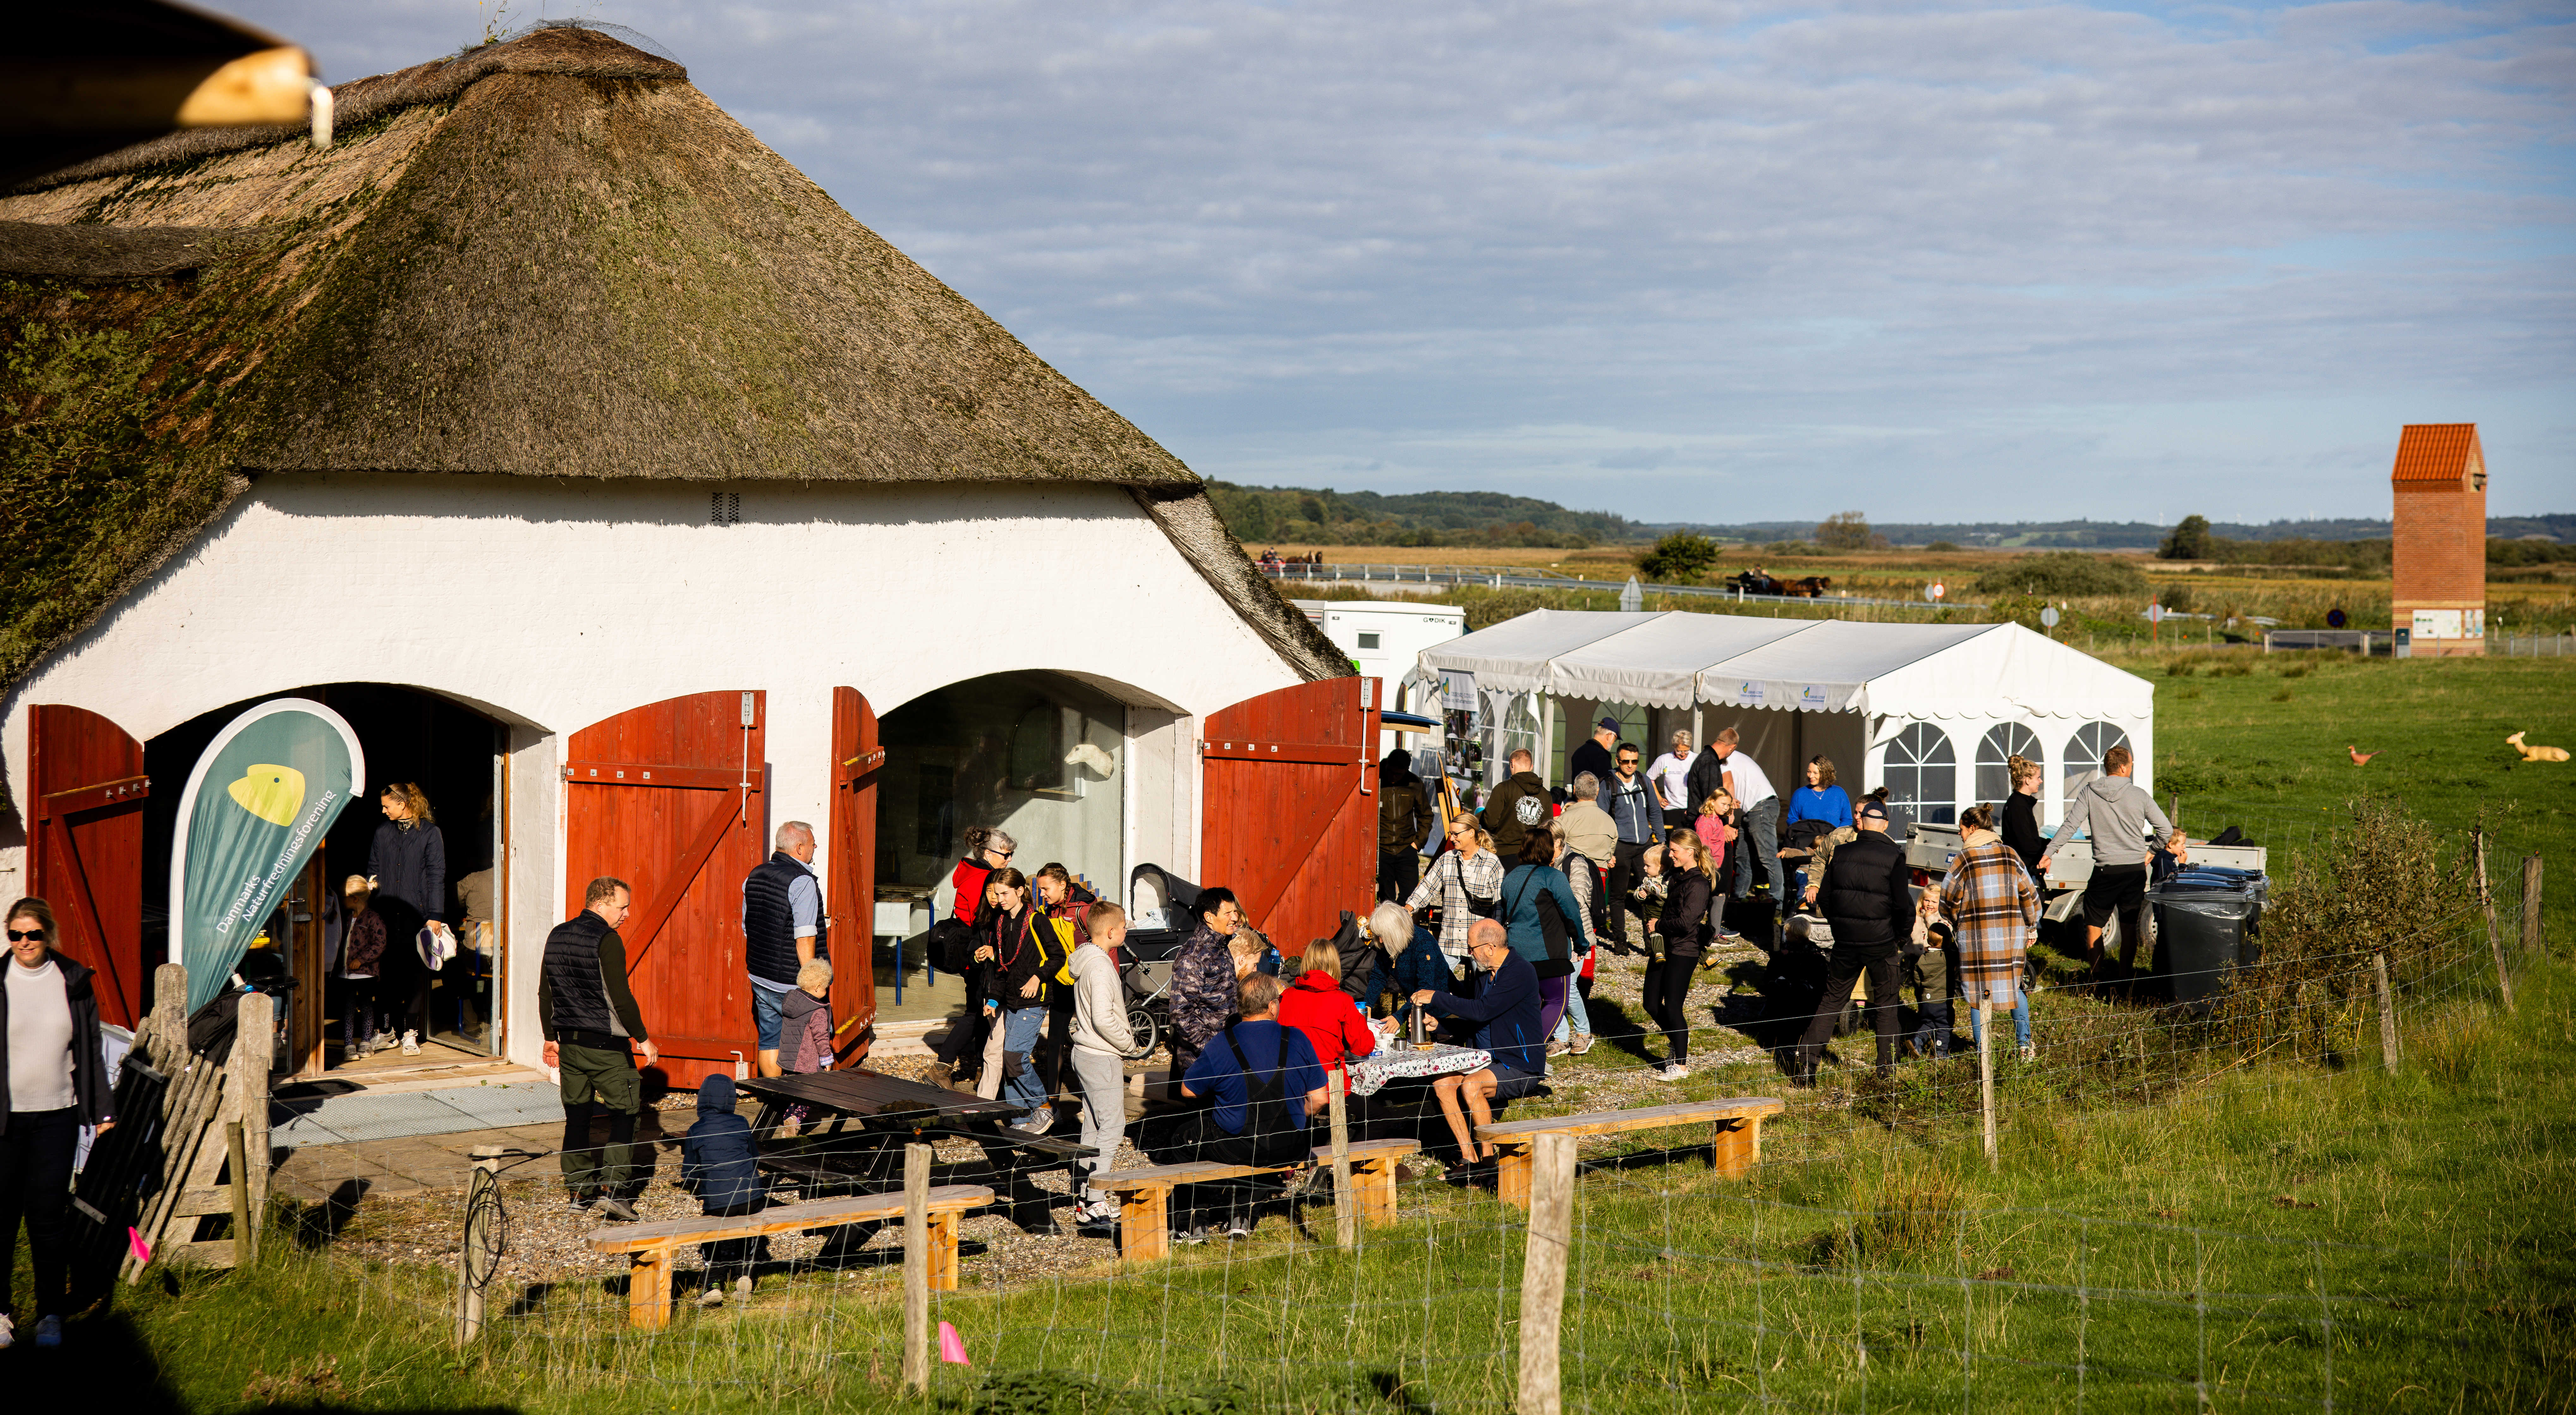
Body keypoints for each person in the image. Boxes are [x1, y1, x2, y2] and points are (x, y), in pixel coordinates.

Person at [1, 899, 114, 1351]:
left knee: (48, 1219)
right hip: (4, 1121)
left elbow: (89, 1051)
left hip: (57, 1118)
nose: (24, 943)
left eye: (33, 934)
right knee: (2, 1218)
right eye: (15, 935)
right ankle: (1, 1313)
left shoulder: (73, 981)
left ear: (49, 934)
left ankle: (50, 1312)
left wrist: (102, 1110)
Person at [1168, 973, 1327, 1240]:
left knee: (1182, 1139)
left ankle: (1192, 1221)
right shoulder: (1297, 1038)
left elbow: (1188, 1090)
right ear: (1272, 1006)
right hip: (1291, 1143)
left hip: (1238, 1145)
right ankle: (1243, 1215)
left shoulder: (1223, 1042)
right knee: (1260, 1142)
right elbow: (1320, 1098)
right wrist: (1300, 1114)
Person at [539, 877, 657, 1221]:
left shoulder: (558, 934)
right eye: (622, 906)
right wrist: (642, 1037)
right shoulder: (608, 939)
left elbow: (546, 991)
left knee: (577, 1117)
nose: (627, 914)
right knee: (625, 1114)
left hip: (570, 1045)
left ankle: (579, 1192)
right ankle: (615, 1191)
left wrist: (550, 1036)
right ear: (601, 903)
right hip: (606, 1045)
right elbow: (620, 996)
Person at [1790, 799, 1912, 1084]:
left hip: (1846, 941)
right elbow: (1902, 906)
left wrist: (1839, 925)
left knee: (1831, 1001)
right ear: (1884, 824)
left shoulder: (1842, 852)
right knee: (1886, 1005)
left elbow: (1825, 897)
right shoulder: (1894, 855)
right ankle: (1885, 1070)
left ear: (1862, 824)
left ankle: (1807, 1066)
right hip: (1881, 942)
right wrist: (1899, 937)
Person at [1413, 919, 1544, 1183]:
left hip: (1519, 1063)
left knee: (1472, 1085)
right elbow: (1479, 1019)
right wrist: (1441, 1024)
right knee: (1443, 1082)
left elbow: (1482, 1010)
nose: (1469, 954)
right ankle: (1468, 1158)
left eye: (1471, 948)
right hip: (1485, 1060)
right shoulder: (1486, 976)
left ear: (1490, 948)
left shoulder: (1520, 972)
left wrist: (1436, 996)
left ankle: (1488, 1161)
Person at [2040, 746, 2183, 981]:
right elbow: (2166, 830)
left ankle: (2096, 976)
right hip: (2134, 870)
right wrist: (2152, 851)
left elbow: (2069, 826)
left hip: (2105, 870)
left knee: (2094, 924)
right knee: (2128, 926)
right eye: (2132, 764)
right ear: (2124, 767)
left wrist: (2050, 851)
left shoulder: (2090, 792)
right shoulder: (2139, 795)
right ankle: (2124, 978)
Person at [1943, 804, 2042, 1062]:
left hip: (1976, 938)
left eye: (1961, 831)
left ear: (1973, 829)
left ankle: (1983, 1052)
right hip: (2011, 936)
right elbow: (2029, 895)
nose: (1961, 836)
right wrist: (2031, 927)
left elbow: (1948, 899)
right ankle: (2025, 1047)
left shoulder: (1964, 858)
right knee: (2013, 986)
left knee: (1978, 993)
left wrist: (1956, 921)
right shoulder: (2010, 854)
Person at [975, 869, 1070, 1131]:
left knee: (1015, 1058)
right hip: (1011, 1000)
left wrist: (1038, 977)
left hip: (1034, 1001)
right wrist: (994, 999)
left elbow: (1058, 956)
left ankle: (1044, 1107)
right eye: (996, 893)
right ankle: (1021, 1119)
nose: (1000, 899)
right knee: (1009, 1061)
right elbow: (1004, 967)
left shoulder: (1037, 920)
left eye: (1005, 893)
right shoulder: (1002, 922)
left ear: (1020, 891)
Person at [1066, 900, 1137, 1236]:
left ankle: (1083, 1197)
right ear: (1110, 932)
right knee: (1113, 1127)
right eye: (1124, 925)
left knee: (1094, 1126)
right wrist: (1127, 1044)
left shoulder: (1087, 960)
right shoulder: (1100, 966)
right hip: (1101, 1054)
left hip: (1086, 1051)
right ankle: (1095, 1200)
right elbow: (1103, 1017)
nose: (1126, 930)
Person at [368, 782, 449, 1056]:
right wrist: (372, 888)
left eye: (387, 805)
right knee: (385, 974)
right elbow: (373, 869)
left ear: (402, 804)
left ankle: (410, 1033)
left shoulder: (430, 833)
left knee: (415, 975)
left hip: (419, 916)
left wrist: (435, 915)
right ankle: (387, 1031)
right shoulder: (382, 832)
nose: (383, 810)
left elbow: (438, 874)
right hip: (386, 916)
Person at [742, 820, 826, 1079]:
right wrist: (812, 985)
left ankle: (773, 1099)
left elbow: (748, 928)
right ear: (800, 848)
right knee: (808, 1046)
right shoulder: (802, 882)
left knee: (769, 1039)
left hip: (760, 976)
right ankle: (797, 1107)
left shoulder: (754, 875)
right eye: (812, 844)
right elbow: (805, 938)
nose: (815, 848)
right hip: (791, 982)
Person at [932, 826, 1015, 1082]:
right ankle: (941, 1067)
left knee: (982, 1012)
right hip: (979, 954)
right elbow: (985, 921)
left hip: (972, 952)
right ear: (988, 853)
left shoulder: (970, 872)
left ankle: (983, 1070)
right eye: (1006, 854)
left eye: (1012, 853)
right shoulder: (985, 880)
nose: (1010, 859)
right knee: (976, 1013)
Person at [679, 1072, 762, 1308]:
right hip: (750, 1196)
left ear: (702, 1098)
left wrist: (703, 1188)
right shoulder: (742, 1123)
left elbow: (689, 1174)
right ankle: (744, 1273)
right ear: (731, 1099)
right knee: (747, 1228)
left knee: (710, 1235)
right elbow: (754, 1158)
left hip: (717, 1201)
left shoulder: (696, 1129)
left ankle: (712, 1284)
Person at [1497, 827, 1584, 1044]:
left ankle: (1516, 1047)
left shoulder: (1511, 877)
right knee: (1556, 1001)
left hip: (1517, 952)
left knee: (1530, 1004)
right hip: (1550, 952)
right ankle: (1529, 1050)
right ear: (1548, 849)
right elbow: (1571, 913)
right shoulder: (1553, 877)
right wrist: (1581, 943)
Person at [1645, 827, 1718, 1080]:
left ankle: (1681, 1066)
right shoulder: (1676, 876)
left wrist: (1657, 925)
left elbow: (1686, 923)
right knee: (1651, 1003)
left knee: (1674, 1006)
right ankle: (1677, 1042)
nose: (1671, 855)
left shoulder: (1698, 884)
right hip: (1663, 946)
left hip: (1684, 949)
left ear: (1690, 852)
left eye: (1675, 851)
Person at [1708, 729, 1785, 942]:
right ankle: (1737, 906)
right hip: (1752, 810)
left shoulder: (1727, 760)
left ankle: (1778, 908)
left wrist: (1728, 810)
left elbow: (1727, 785)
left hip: (1761, 807)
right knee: (1743, 859)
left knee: (1768, 857)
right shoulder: (1729, 757)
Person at [1406, 813, 1504, 975]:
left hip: (1481, 944)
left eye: (1456, 834)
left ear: (1471, 833)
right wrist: (1408, 909)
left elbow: (1499, 904)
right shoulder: (1446, 860)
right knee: (1435, 985)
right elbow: (1427, 887)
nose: (1452, 838)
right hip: (1450, 940)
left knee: (1485, 992)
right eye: (1451, 834)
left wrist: (1495, 940)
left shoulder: (1492, 863)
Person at [1166, 887, 1245, 1083]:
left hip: (1227, 1054)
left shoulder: (1221, 948)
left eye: (1235, 912)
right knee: (1203, 1115)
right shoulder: (1194, 956)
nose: (1235, 918)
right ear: (1209, 917)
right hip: (1202, 1062)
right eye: (1228, 913)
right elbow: (1180, 1014)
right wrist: (1213, 1049)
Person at [1278, 934, 1381, 1081]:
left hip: (1290, 1081)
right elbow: (1364, 1046)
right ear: (1335, 965)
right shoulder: (1342, 1000)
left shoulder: (1287, 996)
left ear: (1306, 963)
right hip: (1327, 1082)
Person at [1033, 863, 1097, 1096]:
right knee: (1055, 1041)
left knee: (1091, 1040)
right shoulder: (1049, 910)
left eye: (1046, 889)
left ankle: (1095, 1096)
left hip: (1086, 983)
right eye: (1040, 889)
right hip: (1061, 981)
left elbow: (1105, 947)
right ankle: (1052, 1100)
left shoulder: (1085, 909)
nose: (1043, 894)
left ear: (1062, 885)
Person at [1548, 830, 1602, 1056]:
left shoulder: (1576, 863)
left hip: (1576, 935)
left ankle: (1584, 1034)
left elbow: (1579, 898)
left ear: (1558, 842)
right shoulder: (1544, 863)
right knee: (1551, 988)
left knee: (1568, 988)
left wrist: (1546, 902)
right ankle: (1560, 1037)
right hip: (1551, 935)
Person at [1601, 742, 1660, 948]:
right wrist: (1607, 852)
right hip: (1620, 847)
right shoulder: (1608, 785)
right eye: (1625, 761)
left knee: (1650, 893)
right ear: (1617, 761)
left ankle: (1650, 940)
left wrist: (1660, 843)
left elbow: (1655, 812)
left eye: (1634, 761)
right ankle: (1620, 940)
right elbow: (1602, 820)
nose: (1630, 765)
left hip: (1644, 846)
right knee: (1618, 896)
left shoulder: (1644, 781)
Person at [336, 876, 389, 1060]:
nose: (342, 901)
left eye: (345, 897)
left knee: (367, 1006)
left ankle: (366, 1042)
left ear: (355, 899)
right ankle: (349, 1044)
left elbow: (380, 943)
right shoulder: (345, 918)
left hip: (365, 974)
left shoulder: (373, 918)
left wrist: (361, 960)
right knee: (348, 1008)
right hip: (346, 973)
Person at [1376, 749, 1436, 903]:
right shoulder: (1375, 778)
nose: (1394, 777)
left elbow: (1426, 815)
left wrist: (1418, 843)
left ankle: (1406, 926)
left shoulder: (1414, 784)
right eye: (1392, 773)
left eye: (1399, 774)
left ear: (1406, 770)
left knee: (1411, 896)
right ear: (1387, 765)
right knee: (1386, 899)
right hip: (1382, 849)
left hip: (1407, 848)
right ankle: (1386, 927)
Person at [1902, 889, 1954, 1059]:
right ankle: (1941, 1053)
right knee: (1944, 1023)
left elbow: (1944, 930)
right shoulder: (1917, 918)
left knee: (1929, 1021)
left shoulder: (1941, 921)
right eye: (1927, 900)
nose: (1930, 905)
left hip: (1926, 980)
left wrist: (1930, 919)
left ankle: (1918, 1041)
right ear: (1921, 900)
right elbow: (1913, 940)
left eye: (1934, 902)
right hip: (1936, 989)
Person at [1479, 748, 1551, 860]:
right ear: (1531, 767)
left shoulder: (1503, 789)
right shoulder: (1546, 795)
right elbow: (1548, 829)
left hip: (1505, 854)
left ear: (1512, 763)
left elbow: (1490, 823)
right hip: (1535, 856)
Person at [1786, 756, 1855, 847]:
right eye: (1809, 772)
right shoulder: (1800, 794)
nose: (1811, 776)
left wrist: (1836, 836)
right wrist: (1800, 827)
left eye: (1815, 773)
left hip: (1833, 843)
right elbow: (1792, 819)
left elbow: (1847, 819)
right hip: (1807, 843)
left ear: (1826, 774)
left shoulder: (1839, 793)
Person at [1555, 772, 1617, 868]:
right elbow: (1610, 851)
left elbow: (1556, 849)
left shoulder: (1565, 819)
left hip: (1572, 873)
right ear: (1598, 791)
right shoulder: (1610, 821)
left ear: (1574, 790)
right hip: (1600, 876)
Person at [2001, 755, 2045, 883]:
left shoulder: (2020, 803)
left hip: (2021, 869)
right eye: (2038, 778)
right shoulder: (2018, 806)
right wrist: (2048, 845)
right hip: (2021, 872)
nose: (2041, 781)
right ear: (2027, 780)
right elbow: (2027, 844)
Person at [1646, 730, 1696, 831]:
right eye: (1679, 751)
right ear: (1674, 747)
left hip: (1692, 809)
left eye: (1686, 751)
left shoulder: (1696, 759)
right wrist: (1659, 799)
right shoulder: (1664, 759)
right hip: (1672, 809)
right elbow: (1649, 779)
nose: (1683, 754)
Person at [1568, 716, 1620, 790]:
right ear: (1609, 736)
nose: (1614, 742)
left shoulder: (1578, 752)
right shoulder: (1602, 756)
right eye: (1616, 739)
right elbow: (1606, 786)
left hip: (1578, 799)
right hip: (1594, 800)